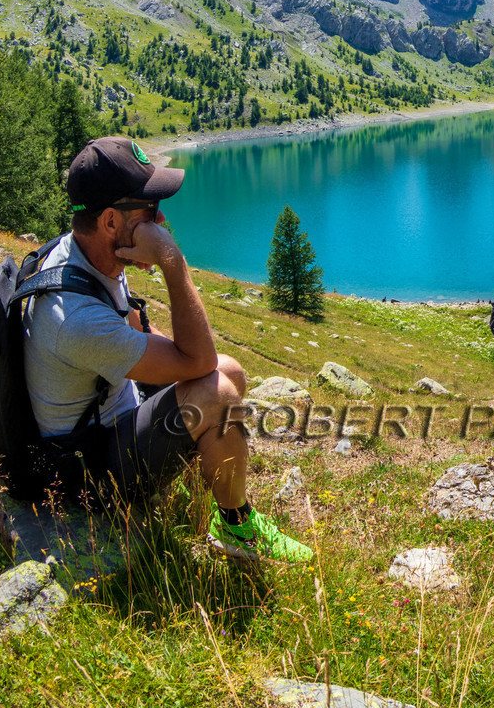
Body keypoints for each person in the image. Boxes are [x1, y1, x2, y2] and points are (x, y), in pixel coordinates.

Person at [25, 136, 311, 562]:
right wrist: (172, 262)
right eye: (148, 209)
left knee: (228, 374)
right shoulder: (76, 318)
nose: (160, 218)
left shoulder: (86, 256)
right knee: (217, 392)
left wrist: (188, 370)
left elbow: (151, 335)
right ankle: (237, 527)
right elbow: (198, 360)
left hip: (109, 419)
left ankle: (212, 481)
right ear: (109, 222)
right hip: (88, 472)